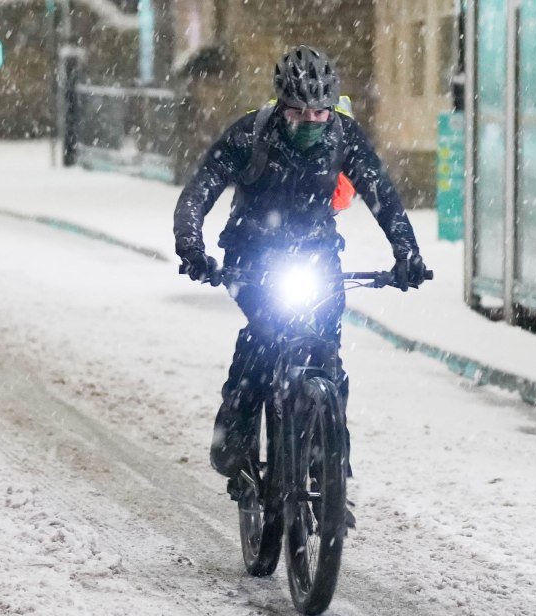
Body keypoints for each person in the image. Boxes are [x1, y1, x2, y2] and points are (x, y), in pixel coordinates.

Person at [173, 45, 429, 499]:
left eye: (319, 114)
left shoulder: (343, 136)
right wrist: (193, 248)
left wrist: (406, 251)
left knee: (328, 356)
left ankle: (330, 475)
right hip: (252, 255)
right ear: (281, 105)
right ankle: (236, 425)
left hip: (317, 257)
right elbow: (199, 191)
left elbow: (381, 194)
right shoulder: (250, 134)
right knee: (267, 334)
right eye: (298, 112)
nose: (310, 121)